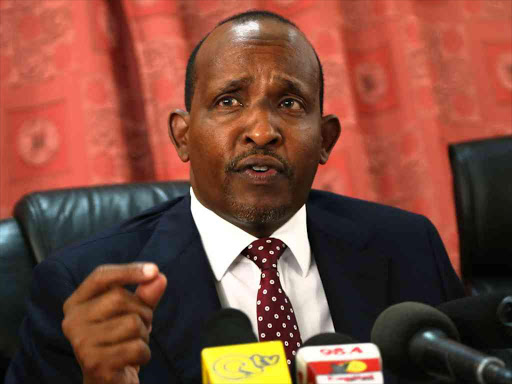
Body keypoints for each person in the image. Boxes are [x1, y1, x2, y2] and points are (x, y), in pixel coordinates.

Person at [6, 10, 464, 384]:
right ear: (183, 136)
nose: (262, 132)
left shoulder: (407, 247)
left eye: (289, 104)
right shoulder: (82, 286)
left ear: (325, 140)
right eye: (229, 101)